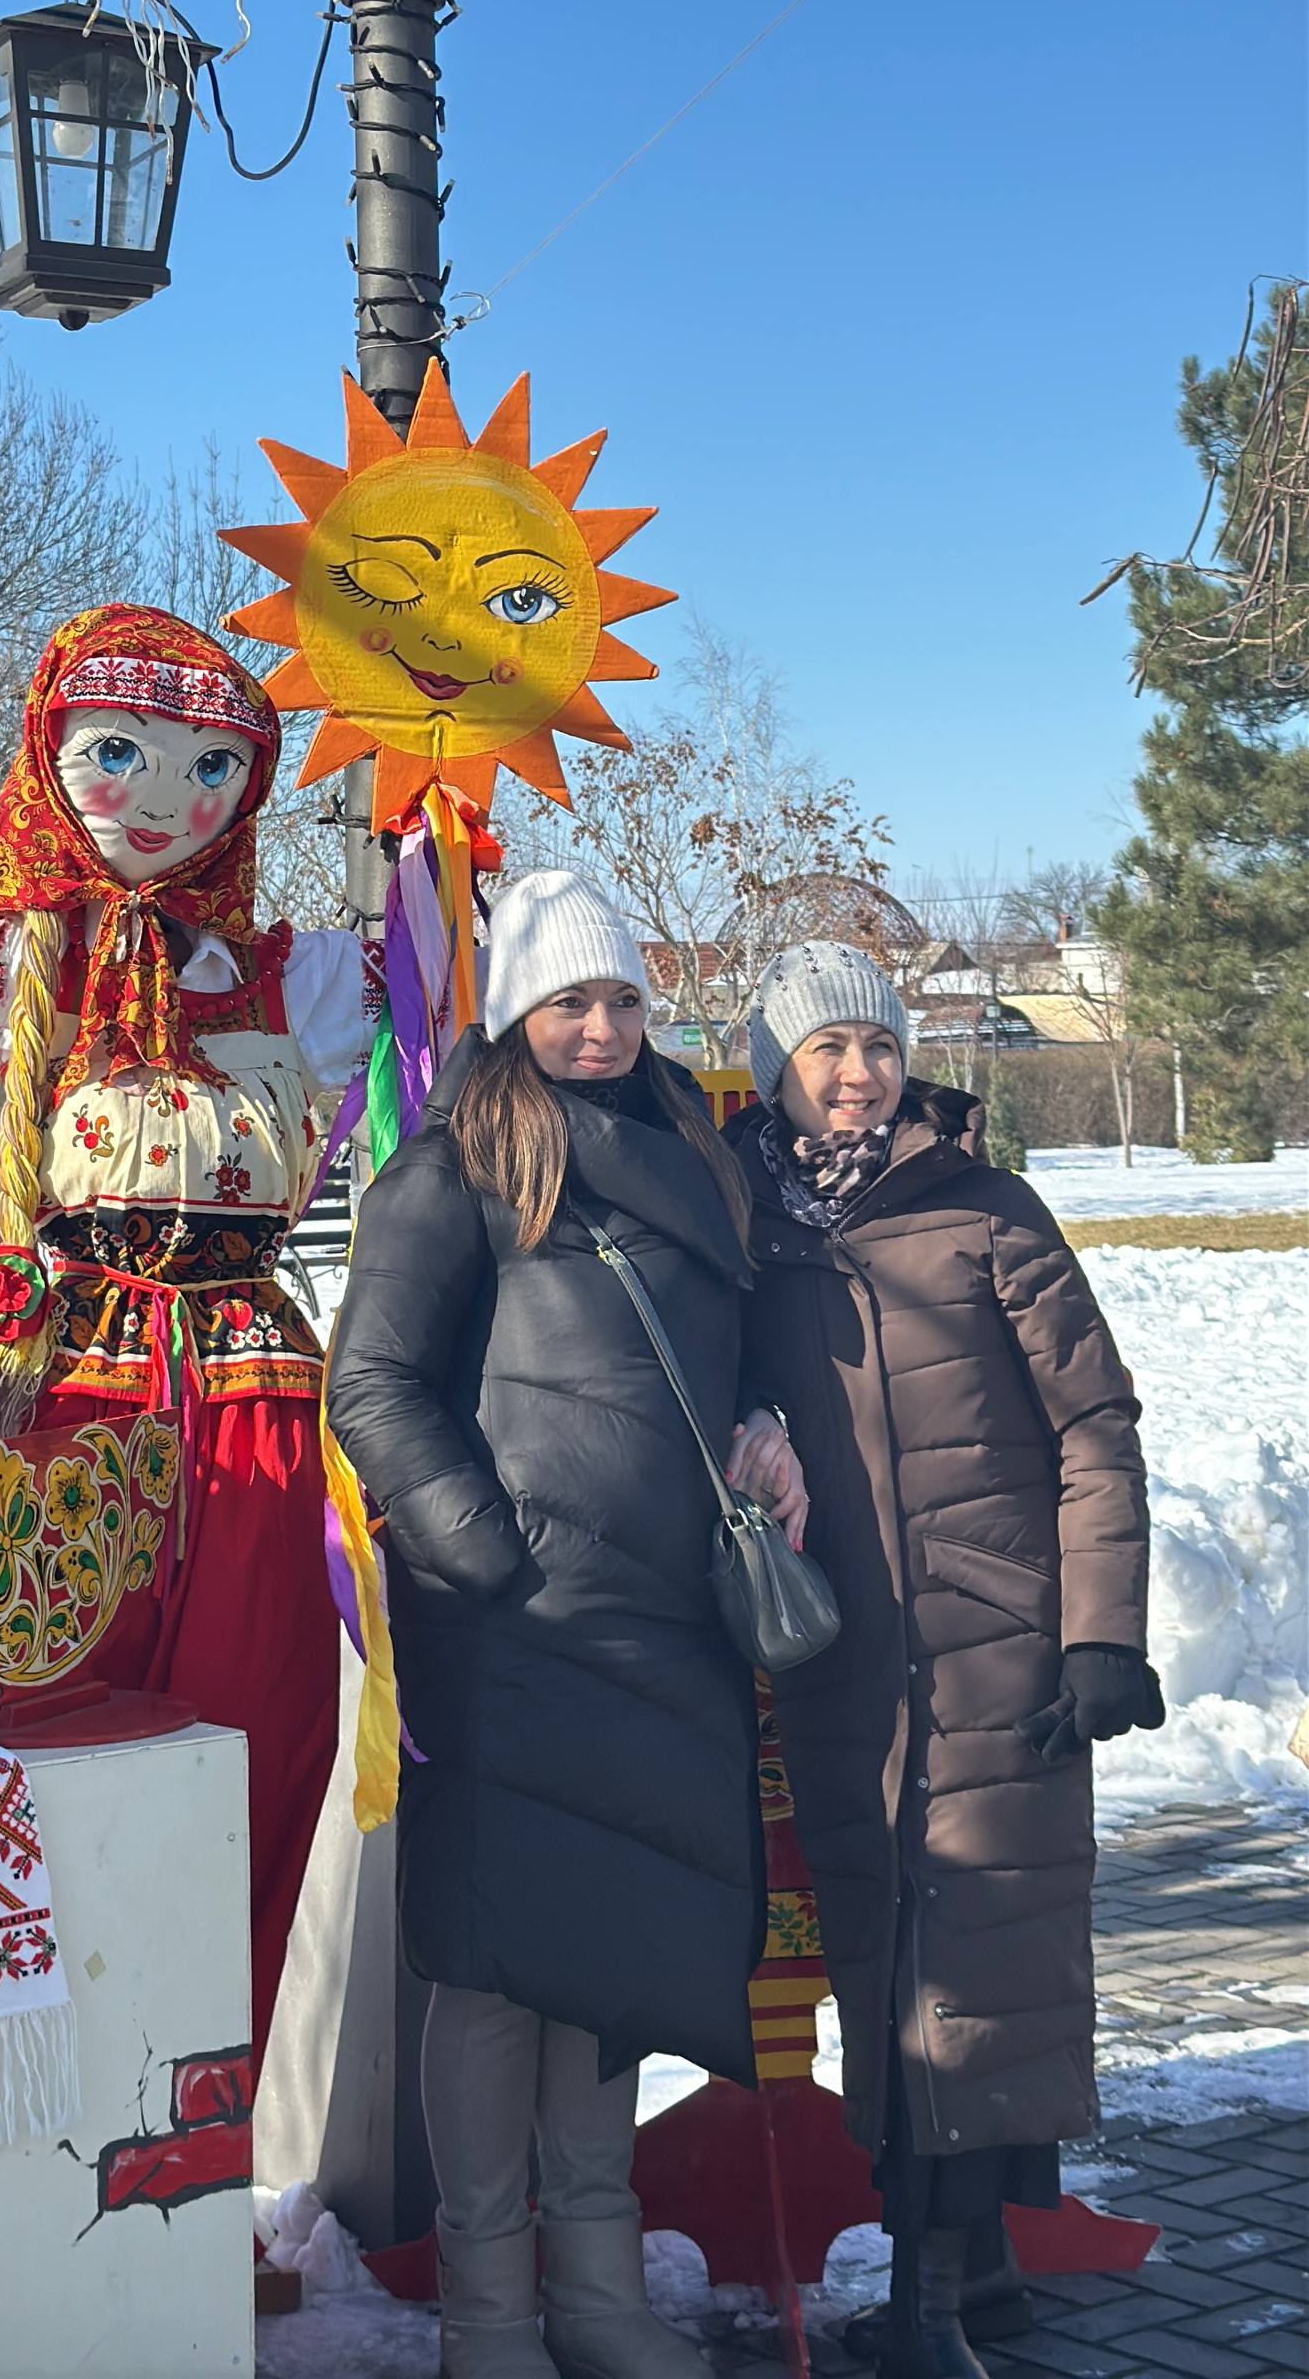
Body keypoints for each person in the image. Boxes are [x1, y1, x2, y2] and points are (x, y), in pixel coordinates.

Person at [0, 604, 382, 2075]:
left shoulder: (295, 976)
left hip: (257, 1406)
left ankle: (214, 2098)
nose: (164, 798)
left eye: (211, 767)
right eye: (118, 754)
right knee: (57, 1723)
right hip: (70, 1398)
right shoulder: (10, 961)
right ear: (49, 756)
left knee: (260, 1727)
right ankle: (64, 2093)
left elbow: (449, 1006)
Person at [326, 869, 806, 2379]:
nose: (599, 1028)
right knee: (495, 1967)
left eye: (621, 1001)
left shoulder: (694, 1151)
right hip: (516, 1627)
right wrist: (488, 1554)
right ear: (514, 1008)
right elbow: (373, 1381)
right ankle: (490, 2316)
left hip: (666, 1620)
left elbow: (724, 1347)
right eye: (567, 1001)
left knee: (611, 1956)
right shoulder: (459, 1161)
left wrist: (765, 1420)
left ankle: (599, 2299)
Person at [722, 943, 1164, 2379]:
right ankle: (977, 2277)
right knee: (888, 1958)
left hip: (995, 1647)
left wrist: (1100, 1632)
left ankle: (928, 2312)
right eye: (825, 1050)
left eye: (878, 1045)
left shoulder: (987, 1209)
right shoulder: (744, 1224)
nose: (859, 1075)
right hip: (842, 1655)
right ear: (774, 1070)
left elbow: (1095, 1425)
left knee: (977, 1956)